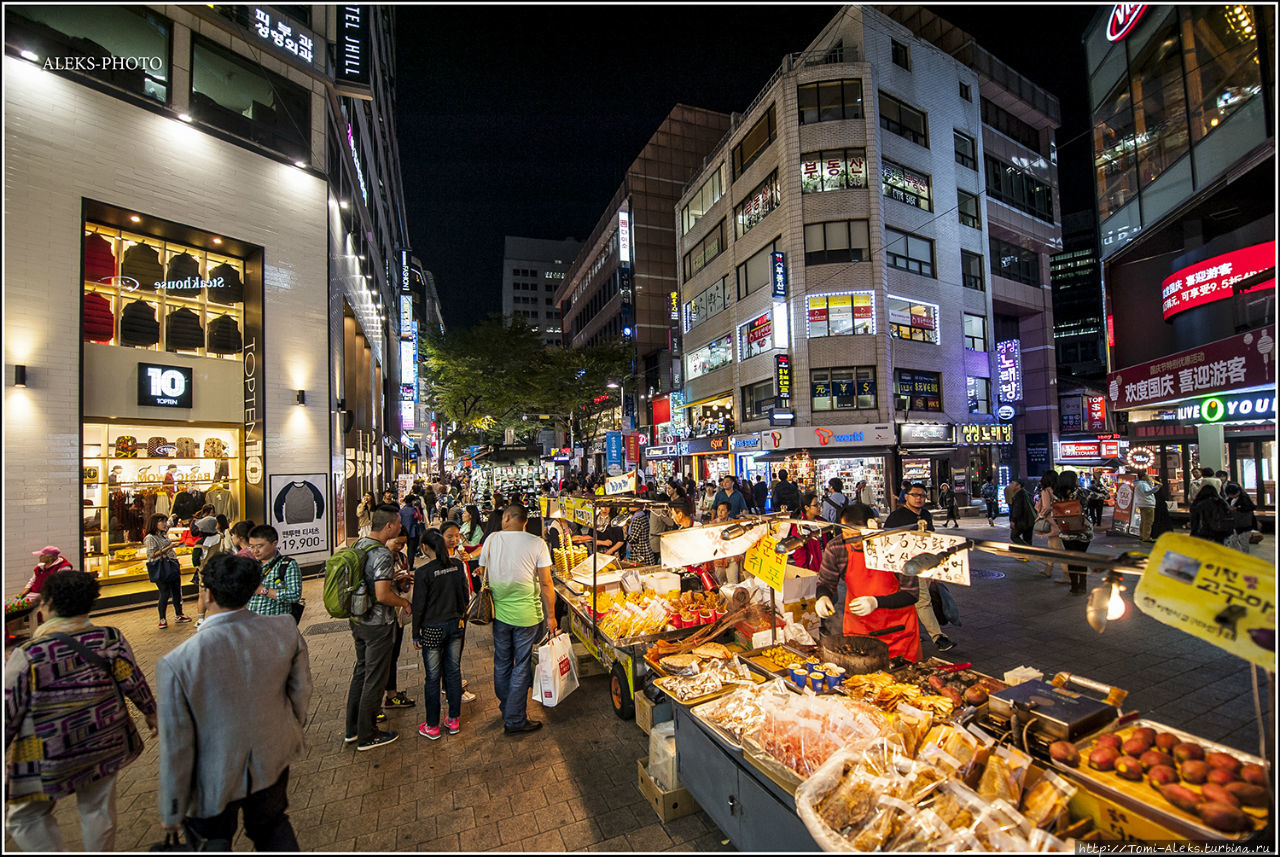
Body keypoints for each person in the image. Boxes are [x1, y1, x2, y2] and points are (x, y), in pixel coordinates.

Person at [156, 553, 312, 851]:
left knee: (212, 841)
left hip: (210, 775)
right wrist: (290, 729)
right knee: (273, 828)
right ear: (254, 589)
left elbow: (176, 743)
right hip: (272, 756)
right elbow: (301, 691)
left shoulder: (179, 662)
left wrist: (172, 806)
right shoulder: (283, 629)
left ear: (207, 594)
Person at [6, 570, 157, 852]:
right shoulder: (109, 637)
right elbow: (132, 678)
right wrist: (151, 712)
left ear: (47, 604)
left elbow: (8, 710)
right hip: (104, 738)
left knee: (26, 816)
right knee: (98, 809)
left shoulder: (28, 653)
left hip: (47, 750)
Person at [478, 504, 556, 735]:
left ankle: (507, 708)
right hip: (527, 615)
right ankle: (514, 719)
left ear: (507, 518)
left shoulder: (492, 540)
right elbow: (546, 583)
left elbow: (483, 573)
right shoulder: (537, 543)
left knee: (502, 662)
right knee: (521, 665)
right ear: (523, 521)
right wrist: (551, 616)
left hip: (498, 614)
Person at [815, 503, 921, 661]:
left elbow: (911, 594)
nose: (853, 539)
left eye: (858, 533)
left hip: (897, 631)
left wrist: (875, 602)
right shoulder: (837, 547)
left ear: (872, 525)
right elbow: (826, 581)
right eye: (846, 532)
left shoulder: (894, 546)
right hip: (858, 629)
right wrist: (822, 597)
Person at [344, 506, 410, 750]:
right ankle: (368, 734)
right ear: (389, 527)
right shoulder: (382, 553)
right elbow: (382, 595)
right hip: (378, 624)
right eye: (398, 524)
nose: (401, 527)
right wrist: (403, 601)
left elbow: (370, 583)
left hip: (358, 620)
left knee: (361, 673)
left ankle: (352, 729)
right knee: (375, 678)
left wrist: (394, 580)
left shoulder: (359, 545)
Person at [411, 530, 471, 740]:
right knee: (453, 672)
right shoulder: (457, 566)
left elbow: (418, 606)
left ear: (425, 548)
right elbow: (465, 596)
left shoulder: (423, 572)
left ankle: (432, 725)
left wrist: (415, 634)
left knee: (433, 676)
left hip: (433, 628)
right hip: (456, 625)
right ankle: (453, 720)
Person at [884, 483, 955, 652]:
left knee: (917, 600)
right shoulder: (897, 516)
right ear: (906, 497)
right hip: (904, 566)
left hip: (923, 564)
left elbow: (930, 539)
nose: (919, 498)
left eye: (922, 495)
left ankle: (909, 631)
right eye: (915, 495)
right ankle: (938, 637)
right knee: (923, 600)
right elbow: (886, 540)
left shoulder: (925, 514)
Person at [381, 535, 418, 713]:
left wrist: (405, 583)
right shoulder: (380, 559)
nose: (400, 547)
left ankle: (391, 694)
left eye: (403, 543)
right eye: (397, 542)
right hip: (382, 617)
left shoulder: (401, 558)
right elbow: (379, 591)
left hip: (397, 615)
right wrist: (394, 582)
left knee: (393, 655)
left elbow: (404, 588)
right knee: (380, 660)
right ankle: (373, 707)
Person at [246, 525, 303, 623]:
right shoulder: (251, 566)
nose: (255, 551)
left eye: (260, 546)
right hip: (252, 625)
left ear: (274, 544)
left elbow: (294, 595)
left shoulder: (286, 565)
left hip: (276, 626)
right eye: (251, 546)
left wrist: (263, 590)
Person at [144, 514, 191, 628]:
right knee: (164, 592)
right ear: (155, 523)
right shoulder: (150, 537)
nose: (165, 524)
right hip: (161, 566)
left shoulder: (163, 534)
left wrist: (172, 517)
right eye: (162, 522)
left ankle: (179, 614)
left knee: (176, 591)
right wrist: (169, 547)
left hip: (172, 563)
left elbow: (169, 524)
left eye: (165, 522)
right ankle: (162, 618)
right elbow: (151, 555)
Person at [1053, 471, 1094, 594]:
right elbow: (1105, 496)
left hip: (1066, 531)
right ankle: (1083, 586)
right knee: (1082, 558)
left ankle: (1074, 587)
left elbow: (1053, 513)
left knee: (1071, 559)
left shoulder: (1057, 494)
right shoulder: (1082, 492)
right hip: (1083, 531)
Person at [1035, 471, 1065, 582]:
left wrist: (1040, 516)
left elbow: (1046, 507)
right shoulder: (1058, 490)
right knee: (1052, 546)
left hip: (1051, 521)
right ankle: (1048, 569)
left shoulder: (1046, 490)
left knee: (1058, 549)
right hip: (1058, 519)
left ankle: (1067, 575)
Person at [788, 492, 830, 572]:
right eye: (815, 505)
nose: (819, 507)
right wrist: (804, 569)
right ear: (806, 507)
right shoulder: (799, 527)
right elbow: (799, 552)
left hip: (824, 564)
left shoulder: (822, 522)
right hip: (810, 568)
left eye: (819, 504)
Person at [1223, 483, 1257, 554]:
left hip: (1244, 524)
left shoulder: (1244, 498)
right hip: (1235, 523)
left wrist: (1237, 508)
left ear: (1237, 492)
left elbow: (1250, 508)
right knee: (1233, 540)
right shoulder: (1231, 498)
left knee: (1243, 542)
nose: (1231, 496)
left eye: (1232, 495)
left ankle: (1245, 556)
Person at [1007, 478, 1037, 547]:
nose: (1011, 485)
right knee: (1028, 539)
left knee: (1014, 536)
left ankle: (1028, 551)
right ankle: (1026, 556)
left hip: (1022, 521)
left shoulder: (1019, 495)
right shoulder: (1026, 493)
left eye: (1012, 483)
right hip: (1030, 520)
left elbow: (1017, 508)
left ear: (1018, 485)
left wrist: (1013, 520)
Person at [399, 495, 426, 569]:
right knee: (411, 549)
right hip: (413, 532)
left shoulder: (401, 510)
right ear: (412, 501)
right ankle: (410, 564)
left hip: (403, 532)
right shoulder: (415, 509)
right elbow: (420, 518)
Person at [1134, 471, 1159, 542]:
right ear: (1143, 477)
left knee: (1144, 521)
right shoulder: (1142, 484)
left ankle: (1142, 535)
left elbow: (1148, 489)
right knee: (1148, 521)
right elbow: (1147, 492)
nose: (1148, 476)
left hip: (1143, 504)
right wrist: (1157, 488)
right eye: (1147, 475)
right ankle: (1146, 537)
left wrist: (1150, 482)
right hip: (1147, 504)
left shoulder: (1140, 484)